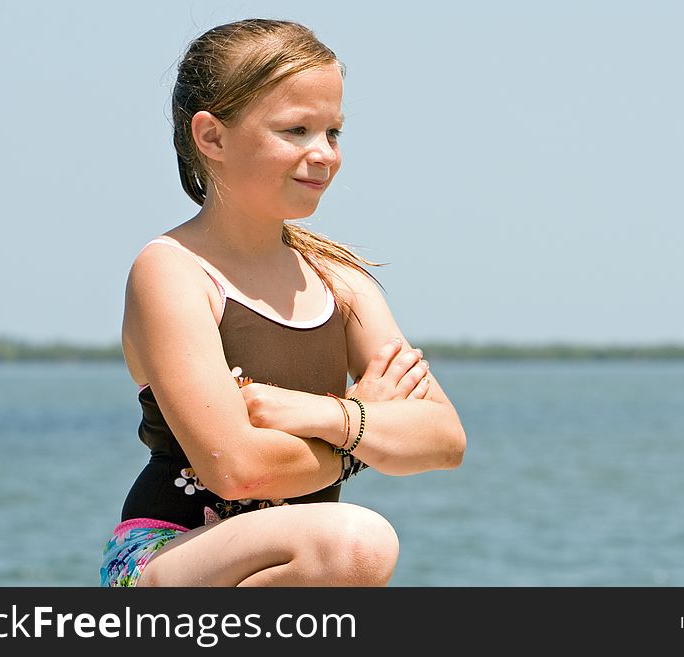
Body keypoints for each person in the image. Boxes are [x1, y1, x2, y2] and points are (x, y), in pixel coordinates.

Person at [99, 18, 466, 587]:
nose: (324, 155)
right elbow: (236, 469)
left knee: (346, 543)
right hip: (168, 556)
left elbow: (443, 440)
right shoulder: (171, 270)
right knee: (355, 541)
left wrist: (332, 414)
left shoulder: (340, 280)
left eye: (333, 133)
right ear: (212, 137)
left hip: (305, 558)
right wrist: (367, 428)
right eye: (296, 130)